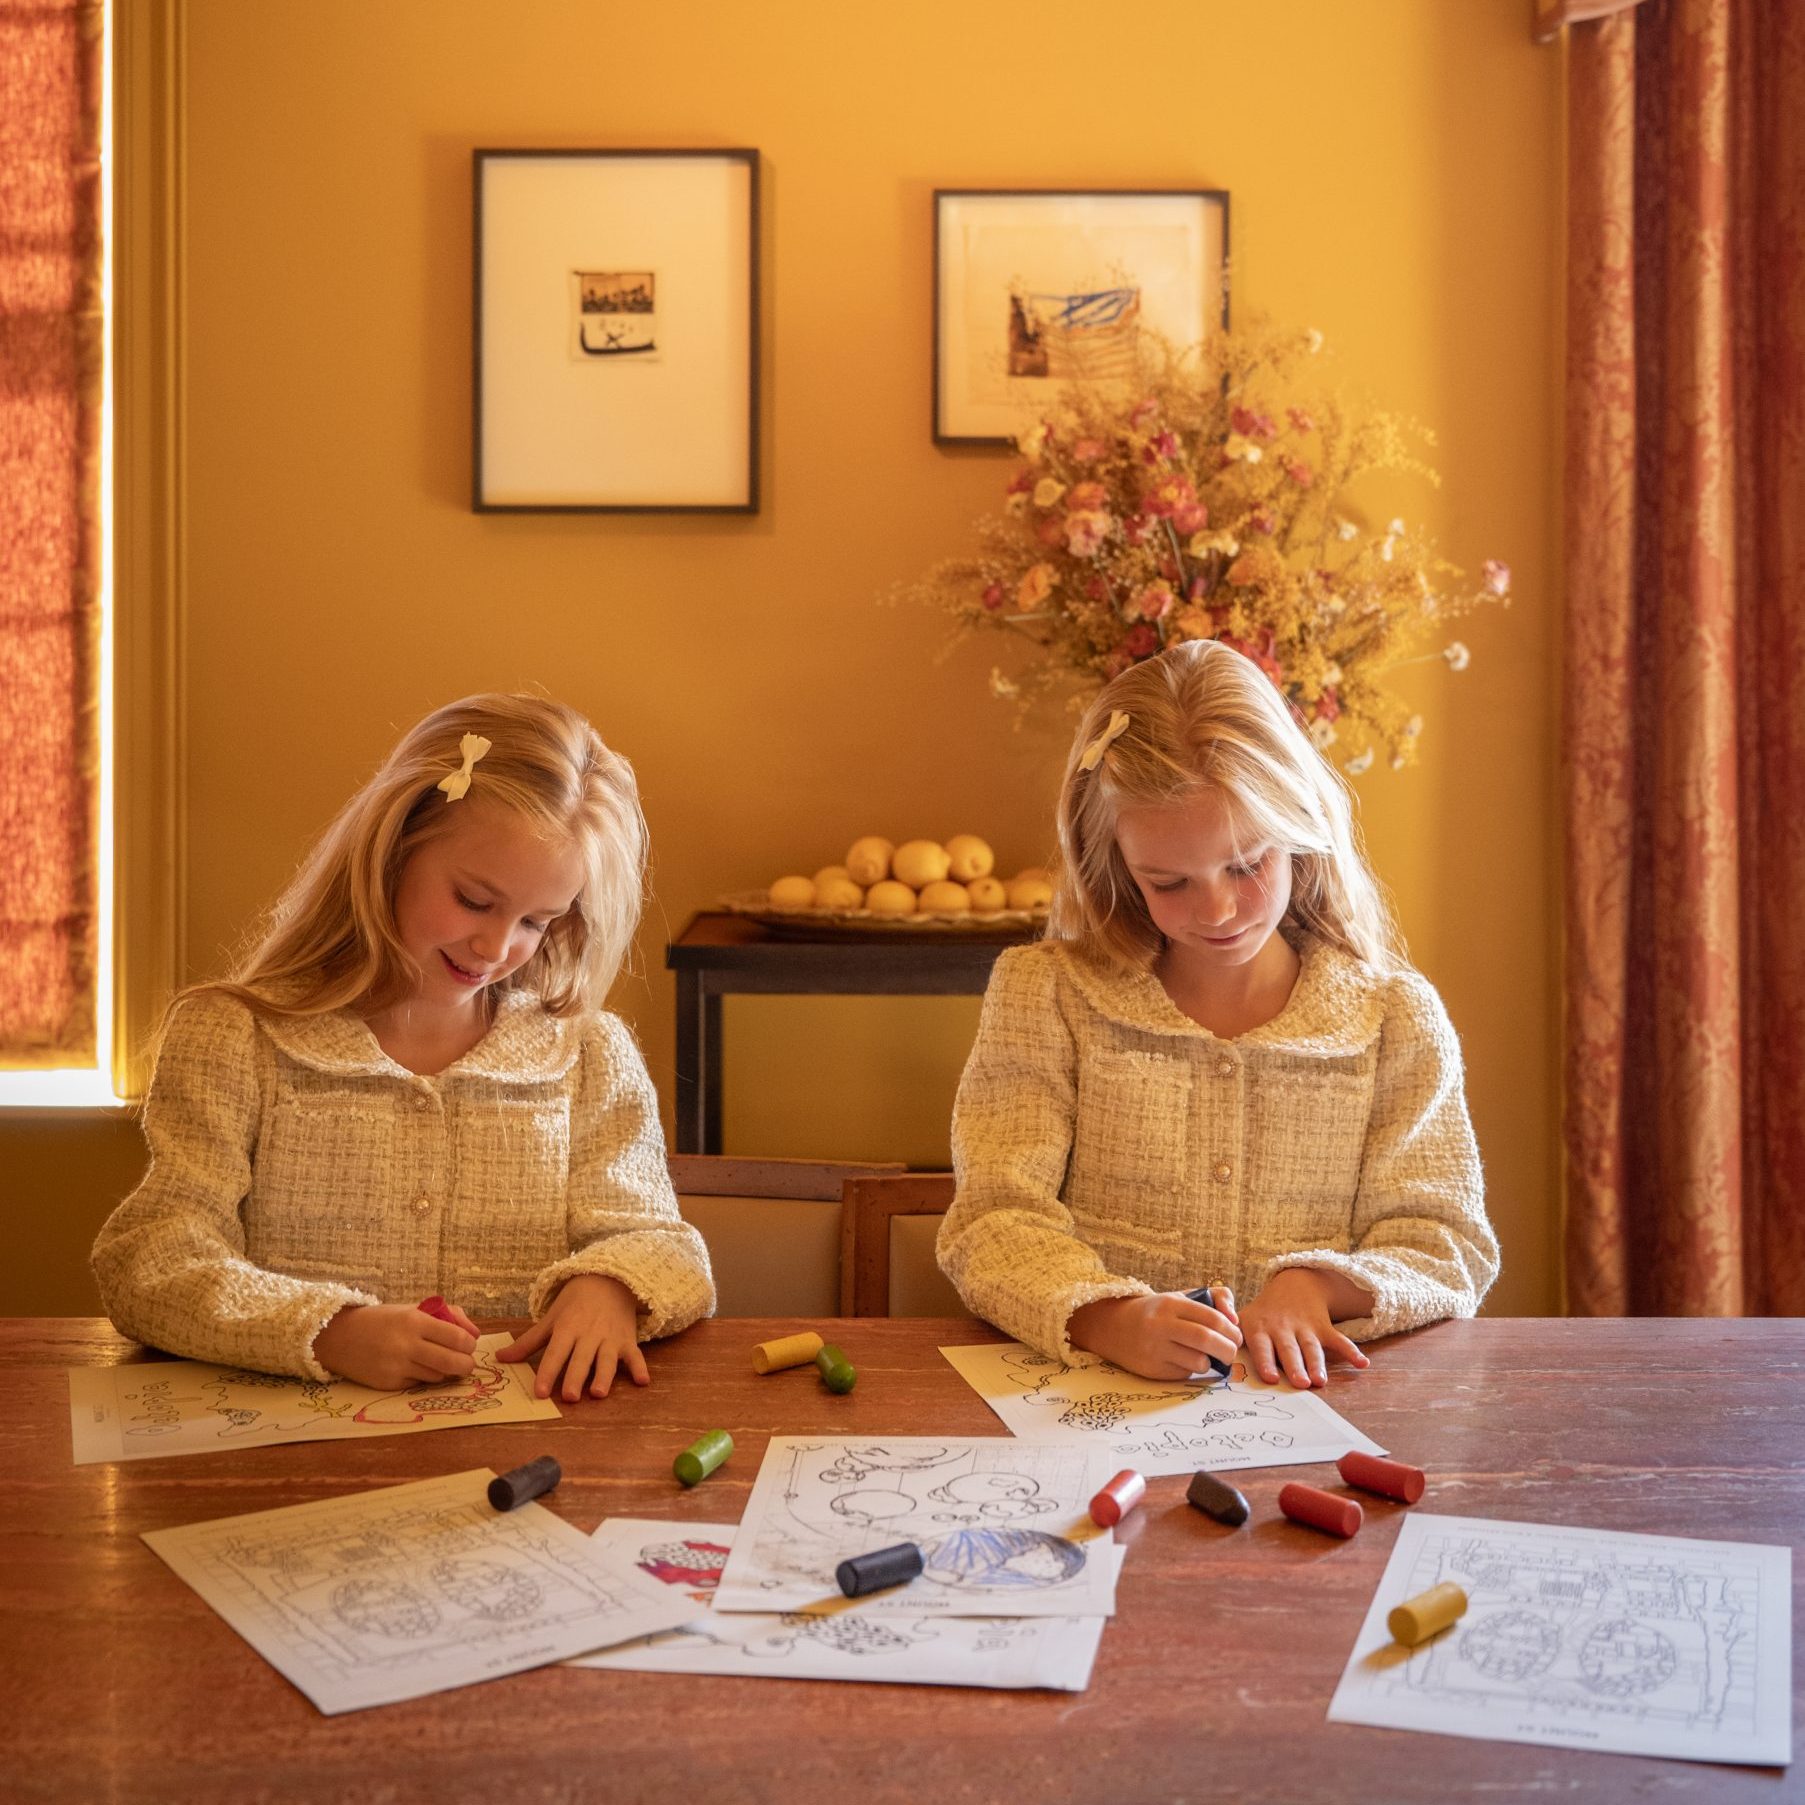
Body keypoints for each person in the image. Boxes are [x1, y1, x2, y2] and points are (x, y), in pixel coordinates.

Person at [93, 694, 714, 1401]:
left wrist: (612, 1285)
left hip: (523, 1463)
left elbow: (666, 1248)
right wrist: (329, 1330)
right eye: (474, 899)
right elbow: (148, 1261)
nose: (496, 946)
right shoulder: (234, 1038)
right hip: (287, 1466)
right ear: (392, 850)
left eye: (536, 921)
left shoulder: (588, 1054)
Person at [937, 641, 1496, 1390]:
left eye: (1246, 864)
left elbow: (1444, 1240)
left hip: (1323, 1417)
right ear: (1116, 868)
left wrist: (1316, 1286)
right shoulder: (1045, 998)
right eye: (1169, 881)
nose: (1219, 910)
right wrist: (1109, 1318)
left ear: (1301, 832)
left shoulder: (1394, 1019)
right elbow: (994, 1220)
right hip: (1089, 1418)